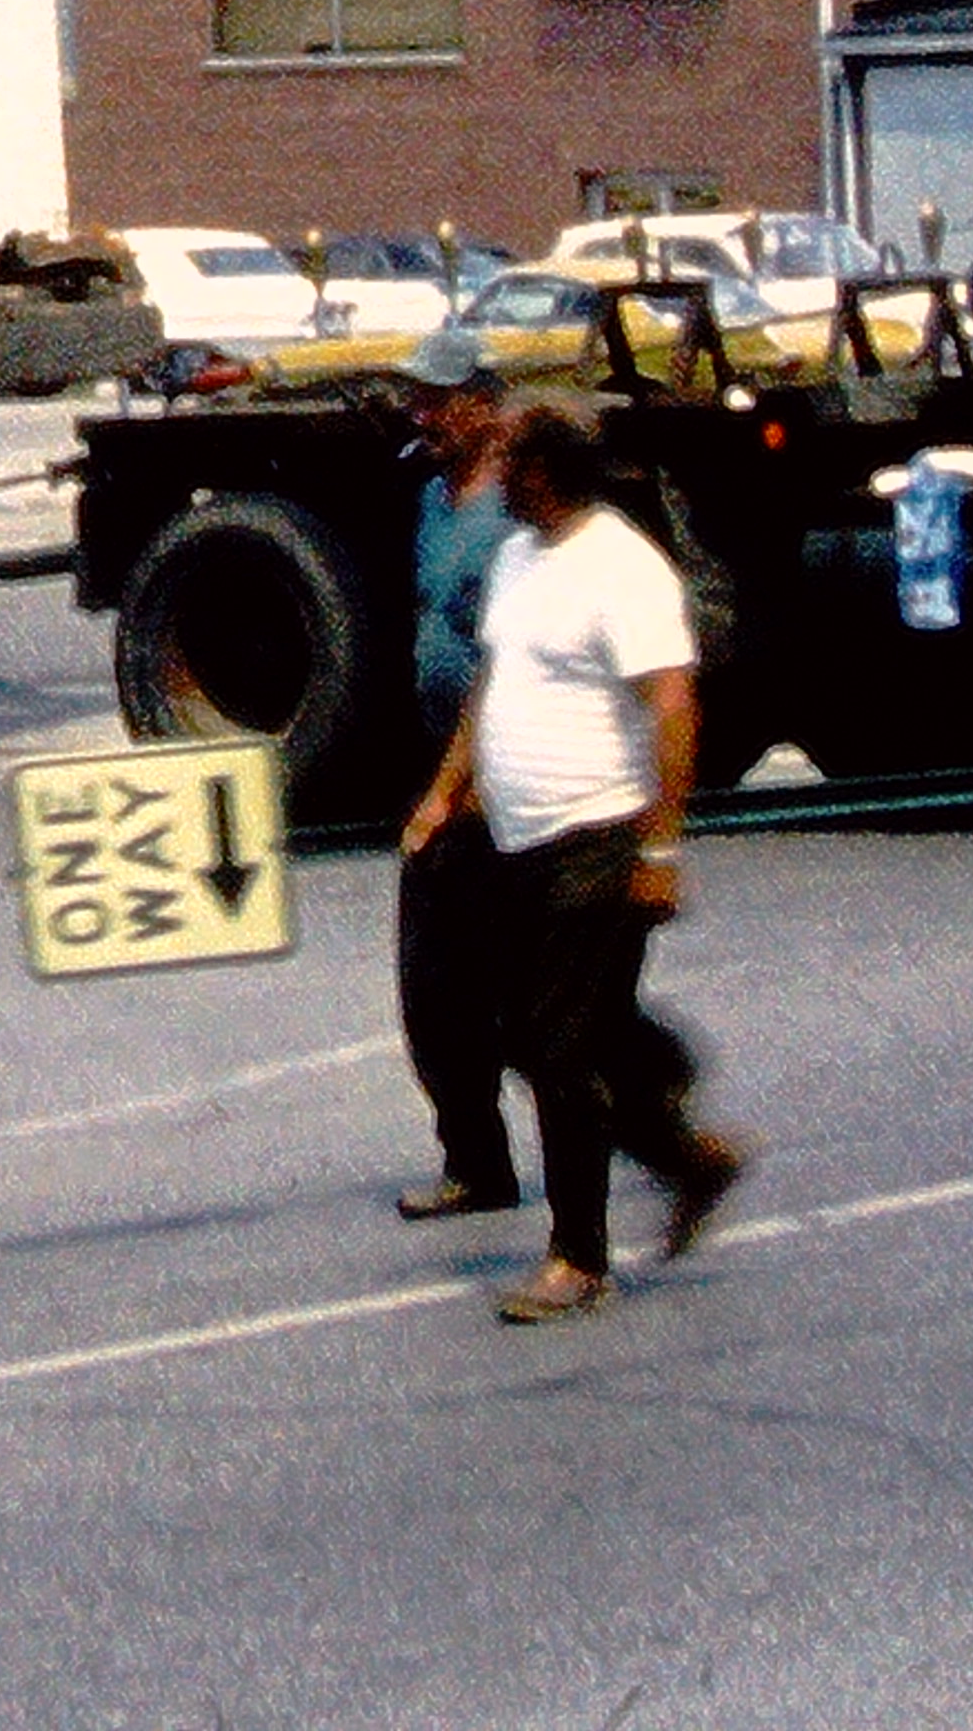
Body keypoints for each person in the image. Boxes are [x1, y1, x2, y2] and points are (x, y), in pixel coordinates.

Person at [400, 399, 751, 1320]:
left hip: (596, 836)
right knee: (534, 1033)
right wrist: (445, 792)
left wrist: (661, 847)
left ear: (546, 474)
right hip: (516, 839)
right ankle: (685, 1153)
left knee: (557, 1048)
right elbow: (492, 682)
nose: (495, 479)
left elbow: (673, 705)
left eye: (510, 464)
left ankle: (576, 1258)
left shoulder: (622, 567)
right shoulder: (519, 558)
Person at [388, 329, 527, 1223]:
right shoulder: (435, 500)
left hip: (504, 775)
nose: (423, 415)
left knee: (537, 995)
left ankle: (658, 1126)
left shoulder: (520, 509)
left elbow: (507, 664)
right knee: (433, 987)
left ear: (484, 404)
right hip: (446, 763)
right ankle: (475, 1160)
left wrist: (455, 787)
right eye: (418, 399)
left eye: (438, 399)